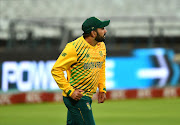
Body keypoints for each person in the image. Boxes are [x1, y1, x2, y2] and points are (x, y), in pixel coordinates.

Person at [51, 16, 110, 125]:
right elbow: (56, 70)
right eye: (102, 28)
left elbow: (101, 66)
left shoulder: (101, 46)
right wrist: (70, 91)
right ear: (93, 33)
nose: (105, 31)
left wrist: (102, 88)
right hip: (77, 98)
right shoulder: (74, 48)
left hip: (87, 96)